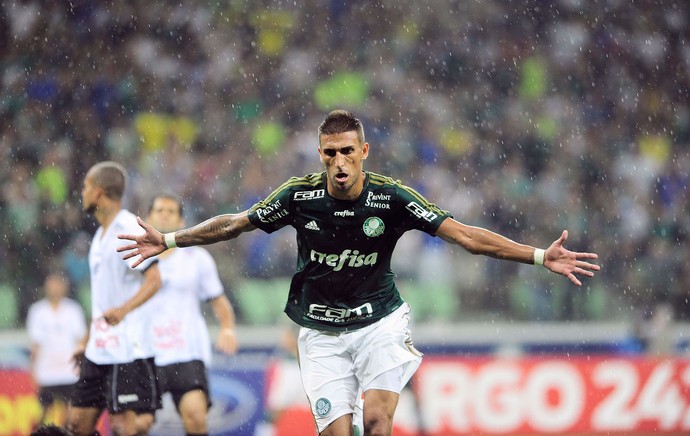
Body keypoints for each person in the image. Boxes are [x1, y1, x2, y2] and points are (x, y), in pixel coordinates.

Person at [118, 110, 601, 436]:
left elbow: (466, 237)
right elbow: (236, 224)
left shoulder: (391, 198)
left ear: (364, 151)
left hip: (379, 323)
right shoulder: (298, 196)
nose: (339, 162)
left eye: (348, 151)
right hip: (320, 330)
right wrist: (170, 240)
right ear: (320, 155)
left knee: (375, 421)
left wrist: (539, 256)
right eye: (330, 153)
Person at [66, 161, 163, 436]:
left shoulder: (127, 228)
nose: (82, 192)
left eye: (85, 186)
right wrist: (87, 340)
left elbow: (155, 280)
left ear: (98, 191)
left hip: (127, 348)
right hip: (99, 348)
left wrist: (123, 310)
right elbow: (103, 300)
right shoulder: (98, 236)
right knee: (77, 424)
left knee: (124, 426)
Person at [143, 193, 239, 436]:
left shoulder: (197, 258)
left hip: (185, 351)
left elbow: (219, 301)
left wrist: (227, 328)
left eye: (171, 211)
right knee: (135, 424)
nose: (164, 214)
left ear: (180, 222)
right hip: (144, 350)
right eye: (159, 209)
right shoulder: (132, 256)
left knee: (196, 419)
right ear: (148, 217)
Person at [27, 272, 87, 428]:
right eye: (51, 285)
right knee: (43, 412)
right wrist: (33, 370)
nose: (54, 289)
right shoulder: (37, 311)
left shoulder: (74, 310)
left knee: (70, 413)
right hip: (47, 372)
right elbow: (35, 344)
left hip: (69, 371)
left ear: (64, 288)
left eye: (57, 285)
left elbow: (81, 341)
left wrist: (82, 367)